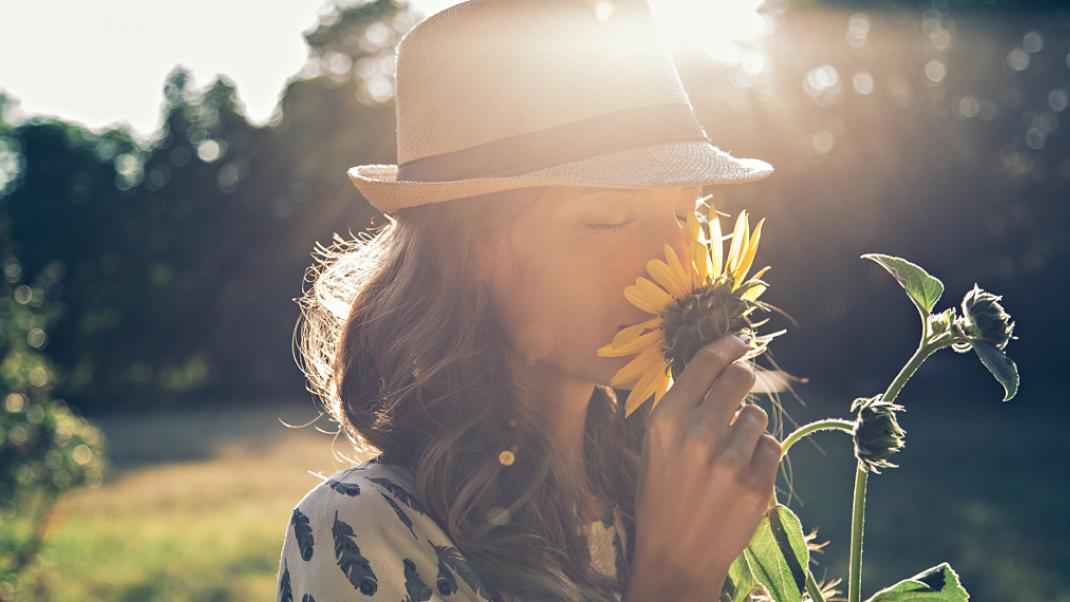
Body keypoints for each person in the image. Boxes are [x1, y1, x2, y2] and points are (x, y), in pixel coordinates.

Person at [277, 1, 782, 600]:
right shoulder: (367, 532)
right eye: (610, 220)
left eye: (685, 211)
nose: (677, 259)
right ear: (473, 249)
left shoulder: (681, 486)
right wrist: (676, 577)